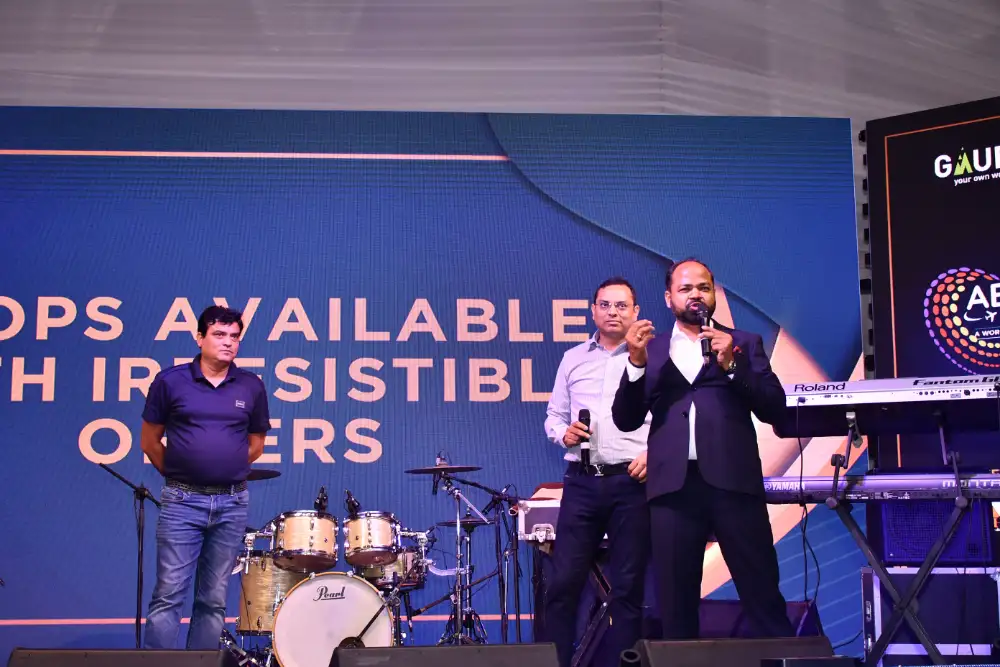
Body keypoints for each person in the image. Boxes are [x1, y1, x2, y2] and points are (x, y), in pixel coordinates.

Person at [612, 258, 794, 640]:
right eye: (685, 288)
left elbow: (775, 409)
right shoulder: (651, 349)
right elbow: (625, 420)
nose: (695, 294)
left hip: (734, 485)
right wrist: (635, 364)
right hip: (673, 490)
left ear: (713, 295)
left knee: (762, 594)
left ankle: (782, 660)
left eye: (703, 287)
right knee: (676, 607)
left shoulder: (743, 342)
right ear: (669, 298)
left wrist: (733, 366)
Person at [140, 305, 271, 649]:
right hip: (181, 502)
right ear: (199, 338)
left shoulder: (251, 386)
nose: (228, 342)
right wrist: (183, 474)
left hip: (232, 503)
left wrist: (223, 465)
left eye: (234, 337)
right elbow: (150, 441)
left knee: (213, 600)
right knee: (168, 595)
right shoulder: (170, 382)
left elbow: (256, 444)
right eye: (219, 334)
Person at [543, 277, 652, 667]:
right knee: (562, 585)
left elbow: (676, 419)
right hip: (582, 482)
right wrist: (564, 434)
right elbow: (554, 416)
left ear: (635, 312)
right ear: (593, 311)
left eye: (622, 306)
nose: (613, 312)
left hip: (632, 484)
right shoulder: (573, 358)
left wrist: (655, 452)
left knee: (628, 588)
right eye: (605, 305)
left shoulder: (655, 359)